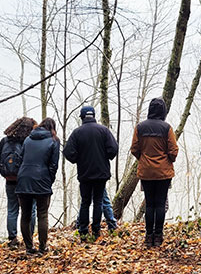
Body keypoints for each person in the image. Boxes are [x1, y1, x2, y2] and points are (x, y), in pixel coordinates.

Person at [63, 106, 119, 239]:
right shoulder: (104, 130)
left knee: (85, 202)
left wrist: (78, 159)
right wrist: (106, 157)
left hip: (85, 173)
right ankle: (96, 230)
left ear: (82, 117)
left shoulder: (77, 133)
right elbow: (113, 148)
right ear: (93, 116)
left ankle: (83, 231)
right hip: (101, 173)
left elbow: (67, 152)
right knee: (98, 202)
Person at [130, 98, 178, 247]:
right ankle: (158, 236)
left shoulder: (140, 127)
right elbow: (173, 150)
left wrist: (144, 159)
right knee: (160, 203)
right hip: (163, 172)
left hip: (146, 171)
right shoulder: (166, 128)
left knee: (149, 204)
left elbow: (134, 148)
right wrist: (168, 160)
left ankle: (148, 236)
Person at [15, 117, 60, 255]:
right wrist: (49, 180)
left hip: (23, 179)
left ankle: (29, 247)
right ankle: (42, 247)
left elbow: (20, 158)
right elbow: (54, 165)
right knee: (42, 214)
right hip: (42, 180)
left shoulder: (28, 139)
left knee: (25, 215)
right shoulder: (54, 140)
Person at [0, 117, 36, 248]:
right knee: (31, 210)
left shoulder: (4, 141)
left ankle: (12, 239)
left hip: (10, 180)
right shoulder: (28, 142)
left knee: (12, 209)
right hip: (25, 181)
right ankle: (28, 237)